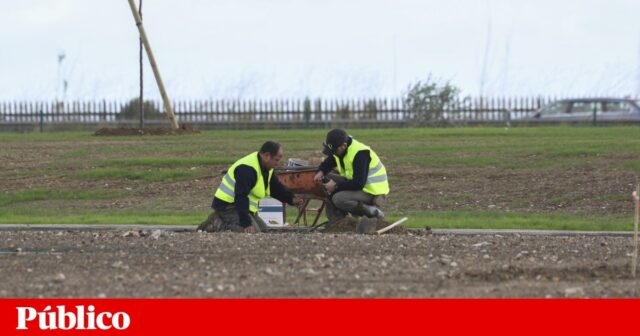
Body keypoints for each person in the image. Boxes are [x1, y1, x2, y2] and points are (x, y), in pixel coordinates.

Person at [198, 141, 303, 233]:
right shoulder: (247, 168)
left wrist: (292, 199)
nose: (277, 163)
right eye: (276, 159)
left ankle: (233, 222)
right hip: (228, 206)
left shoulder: (267, 169)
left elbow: (275, 188)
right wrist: (246, 223)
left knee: (263, 230)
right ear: (266, 156)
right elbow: (241, 196)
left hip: (244, 208)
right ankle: (216, 223)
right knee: (250, 232)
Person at [313, 129, 389, 224]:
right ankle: (338, 221)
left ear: (344, 145)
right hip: (358, 183)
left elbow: (359, 183)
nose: (333, 153)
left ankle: (374, 212)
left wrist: (336, 186)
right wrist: (321, 171)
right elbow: (329, 161)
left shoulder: (360, 153)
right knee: (325, 178)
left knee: (338, 199)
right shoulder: (339, 149)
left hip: (372, 190)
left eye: (334, 151)